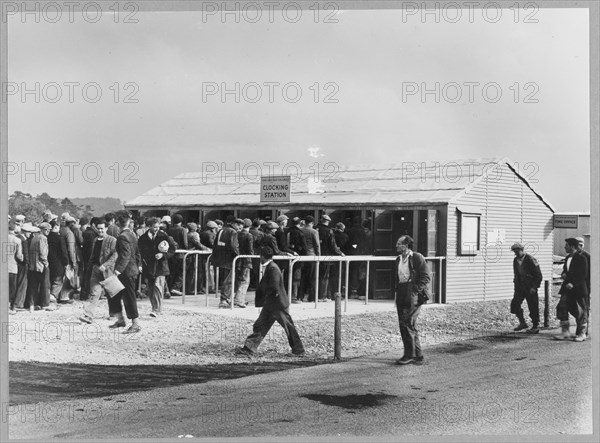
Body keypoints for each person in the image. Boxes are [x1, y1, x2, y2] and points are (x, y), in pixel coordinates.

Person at [236, 246, 305, 357]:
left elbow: (274, 287)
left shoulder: (272, 268)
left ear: (262, 257)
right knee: (261, 325)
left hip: (277, 304)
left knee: (287, 327)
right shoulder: (272, 267)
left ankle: (299, 350)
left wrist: (266, 297)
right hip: (274, 303)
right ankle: (249, 347)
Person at [394, 235, 431, 365]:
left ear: (406, 245)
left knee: (407, 323)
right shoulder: (398, 259)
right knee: (406, 324)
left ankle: (409, 355)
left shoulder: (417, 257)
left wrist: (414, 291)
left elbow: (426, 277)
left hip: (412, 293)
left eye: (399, 243)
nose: (397, 246)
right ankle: (417, 354)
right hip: (402, 291)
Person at [108, 213, 142, 333]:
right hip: (132, 270)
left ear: (117, 224)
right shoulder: (133, 235)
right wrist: (138, 266)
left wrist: (117, 271)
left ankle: (135, 323)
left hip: (125, 271)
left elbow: (125, 256)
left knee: (127, 296)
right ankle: (121, 319)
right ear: (128, 223)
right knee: (116, 294)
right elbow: (137, 253)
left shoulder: (122, 237)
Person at [80, 218, 118, 324]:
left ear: (106, 228)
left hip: (108, 270)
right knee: (94, 293)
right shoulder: (95, 240)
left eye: (102, 228)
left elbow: (115, 255)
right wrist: (90, 267)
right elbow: (93, 255)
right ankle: (88, 315)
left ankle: (114, 313)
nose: (100, 231)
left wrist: (105, 265)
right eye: (98, 229)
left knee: (112, 293)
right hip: (96, 269)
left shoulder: (112, 240)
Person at [138, 217, 174, 317]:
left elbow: (172, 250)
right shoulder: (142, 239)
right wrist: (140, 264)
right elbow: (139, 253)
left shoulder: (164, 236)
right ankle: (154, 307)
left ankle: (157, 309)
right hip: (148, 266)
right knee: (151, 288)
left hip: (161, 266)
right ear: (149, 227)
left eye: (158, 227)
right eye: (154, 227)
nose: (157, 229)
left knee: (158, 286)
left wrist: (163, 255)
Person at [554, 238, 589, 341]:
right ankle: (565, 332)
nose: (565, 247)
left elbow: (583, 274)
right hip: (567, 288)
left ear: (573, 246)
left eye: (567, 245)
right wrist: (563, 274)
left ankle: (581, 334)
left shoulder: (582, 258)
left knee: (580, 311)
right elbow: (566, 270)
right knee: (561, 307)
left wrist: (573, 284)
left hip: (578, 289)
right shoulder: (568, 257)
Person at [510, 242, 543, 334]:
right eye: (514, 251)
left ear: (522, 250)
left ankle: (535, 325)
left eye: (517, 251)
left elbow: (538, 275)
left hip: (530, 287)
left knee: (533, 306)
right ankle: (522, 323)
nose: (515, 253)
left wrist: (534, 287)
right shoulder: (515, 260)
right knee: (515, 304)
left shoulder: (531, 259)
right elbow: (516, 274)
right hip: (520, 287)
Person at [213, 217, 244, 308]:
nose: (239, 230)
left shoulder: (221, 230)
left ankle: (225, 299)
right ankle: (224, 300)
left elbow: (215, 244)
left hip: (220, 258)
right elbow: (234, 246)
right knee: (229, 280)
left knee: (224, 280)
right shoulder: (233, 232)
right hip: (229, 259)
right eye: (239, 227)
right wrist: (238, 256)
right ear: (236, 224)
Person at [26, 222, 53, 312]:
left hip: (32, 266)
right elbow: (43, 253)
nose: (48, 231)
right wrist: (46, 263)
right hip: (41, 265)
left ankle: (32, 304)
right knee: (45, 285)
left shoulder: (34, 238)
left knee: (33, 286)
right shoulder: (43, 238)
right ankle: (45, 304)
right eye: (46, 230)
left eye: (48, 230)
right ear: (42, 230)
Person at [316, 214, 344, 301]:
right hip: (327, 257)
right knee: (325, 277)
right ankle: (323, 296)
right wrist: (340, 253)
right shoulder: (329, 231)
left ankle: (317, 295)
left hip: (316, 255)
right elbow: (333, 245)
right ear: (328, 221)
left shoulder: (315, 228)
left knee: (317, 276)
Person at [300, 215, 320, 302]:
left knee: (303, 277)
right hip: (312, 256)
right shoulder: (314, 232)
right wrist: (319, 256)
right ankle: (311, 297)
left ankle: (300, 296)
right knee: (313, 277)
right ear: (312, 223)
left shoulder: (300, 230)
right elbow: (317, 245)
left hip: (301, 256)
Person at [234, 219, 254, 307]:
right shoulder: (249, 235)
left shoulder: (237, 234)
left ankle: (238, 298)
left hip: (238, 259)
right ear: (250, 226)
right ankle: (239, 300)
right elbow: (250, 249)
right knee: (245, 281)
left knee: (238, 279)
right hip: (246, 260)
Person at [288, 217, 308, 303]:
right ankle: (294, 297)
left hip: (288, 255)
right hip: (298, 257)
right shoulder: (300, 233)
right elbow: (304, 247)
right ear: (299, 223)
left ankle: (288, 295)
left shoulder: (287, 231)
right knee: (296, 278)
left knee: (287, 276)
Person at [167, 213, 188, 296]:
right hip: (180, 254)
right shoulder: (183, 230)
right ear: (181, 221)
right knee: (181, 272)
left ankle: (168, 288)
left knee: (171, 272)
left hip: (171, 254)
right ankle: (175, 287)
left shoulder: (169, 230)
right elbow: (185, 243)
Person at [575, 237, 591, 337]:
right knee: (578, 308)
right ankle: (579, 328)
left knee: (585, 307)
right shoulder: (574, 256)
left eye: (578, 246)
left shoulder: (587, 256)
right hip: (577, 286)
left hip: (585, 286)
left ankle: (584, 330)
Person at [8, 221, 23, 314]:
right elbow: (18, 256)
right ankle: (9, 307)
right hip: (12, 267)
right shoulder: (17, 240)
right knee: (11, 289)